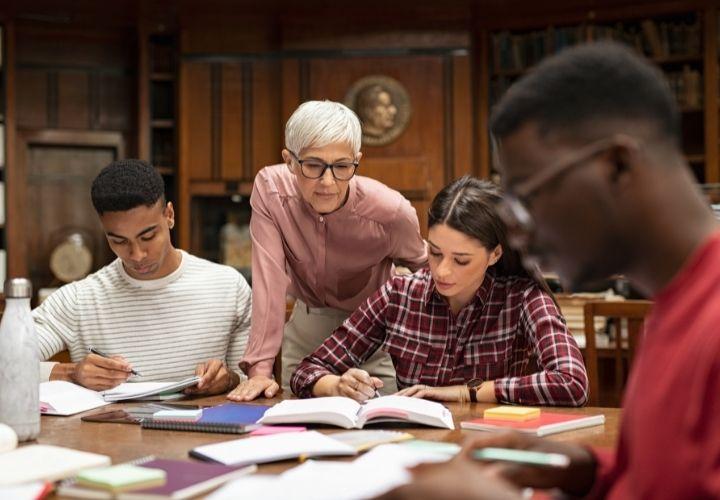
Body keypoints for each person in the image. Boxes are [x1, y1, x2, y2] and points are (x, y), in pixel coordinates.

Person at [379, 41, 720, 499]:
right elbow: (661, 475)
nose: (518, 235)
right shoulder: (675, 302)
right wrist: (578, 466)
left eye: (529, 197)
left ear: (616, 165)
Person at [292, 176, 587, 406]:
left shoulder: (523, 299)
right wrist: (335, 385)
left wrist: (465, 393)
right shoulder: (400, 294)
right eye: (434, 253)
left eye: (461, 260)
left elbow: (572, 383)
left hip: (491, 448)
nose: (442, 271)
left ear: (495, 254)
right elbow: (307, 370)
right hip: (416, 447)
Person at [228, 100, 427, 401]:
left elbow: (430, 273)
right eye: (313, 165)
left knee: (380, 429)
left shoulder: (392, 212)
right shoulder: (270, 190)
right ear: (290, 161)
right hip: (306, 331)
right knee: (293, 431)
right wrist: (260, 371)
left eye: (342, 166)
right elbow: (269, 281)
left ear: (357, 160)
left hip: (373, 336)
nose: (327, 182)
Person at [36, 159, 251, 395]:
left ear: (169, 215)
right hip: (110, 432)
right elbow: (7, 362)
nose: (136, 255)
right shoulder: (78, 299)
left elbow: (255, 384)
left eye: (147, 236)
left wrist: (228, 380)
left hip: (205, 430)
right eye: (118, 241)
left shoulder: (229, 287)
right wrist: (71, 374)